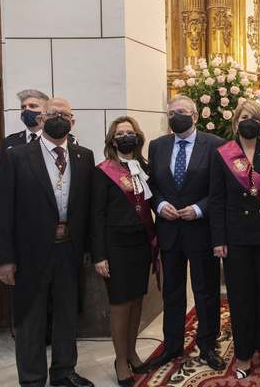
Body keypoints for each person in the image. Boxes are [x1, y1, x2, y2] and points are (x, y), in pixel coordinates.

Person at [0, 98, 96, 387]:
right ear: (41, 119)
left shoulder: (84, 156)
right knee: (30, 317)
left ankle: (64, 371)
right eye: (52, 114)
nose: (58, 119)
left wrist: (88, 247)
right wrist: (4, 258)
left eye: (64, 115)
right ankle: (32, 378)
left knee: (66, 313)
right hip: (30, 252)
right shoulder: (17, 156)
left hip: (70, 248)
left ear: (72, 122)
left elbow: (87, 207)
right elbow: (2, 210)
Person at [209, 100, 260, 378]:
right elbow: (217, 199)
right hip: (236, 238)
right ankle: (244, 354)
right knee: (240, 298)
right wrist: (218, 239)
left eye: (254, 118)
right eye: (244, 117)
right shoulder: (223, 153)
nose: (249, 122)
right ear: (236, 122)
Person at [146, 95, 226, 371]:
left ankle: (207, 345)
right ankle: (172, 346)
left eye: (181, 112)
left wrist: (199, 209)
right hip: (169, 231)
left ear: (194, 116)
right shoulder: (157, 146)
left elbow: (219, 189)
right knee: (172, 292)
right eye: (170, 113)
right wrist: (160, 204)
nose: (175, 117)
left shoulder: (215, 145)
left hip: (202, 230)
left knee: (206, 291)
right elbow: (152, 185)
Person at [90, 117, 158, 386]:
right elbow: (95, 215)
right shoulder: (103, 171)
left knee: (137, 299)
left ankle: (132, 352)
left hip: (141, 243)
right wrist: (98, 255)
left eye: (130, 132)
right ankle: (120, 360)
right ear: (112, 139)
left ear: (138, 138)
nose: (126, 136)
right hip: (115, 246)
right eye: (121, 133)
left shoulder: (144, 168)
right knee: (120, 303)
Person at [1, 89, 78, 152]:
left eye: (32, 106)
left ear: (44, 110)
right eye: (23, 107)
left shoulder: (67, 140)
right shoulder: (9, 142)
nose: (26, 110)